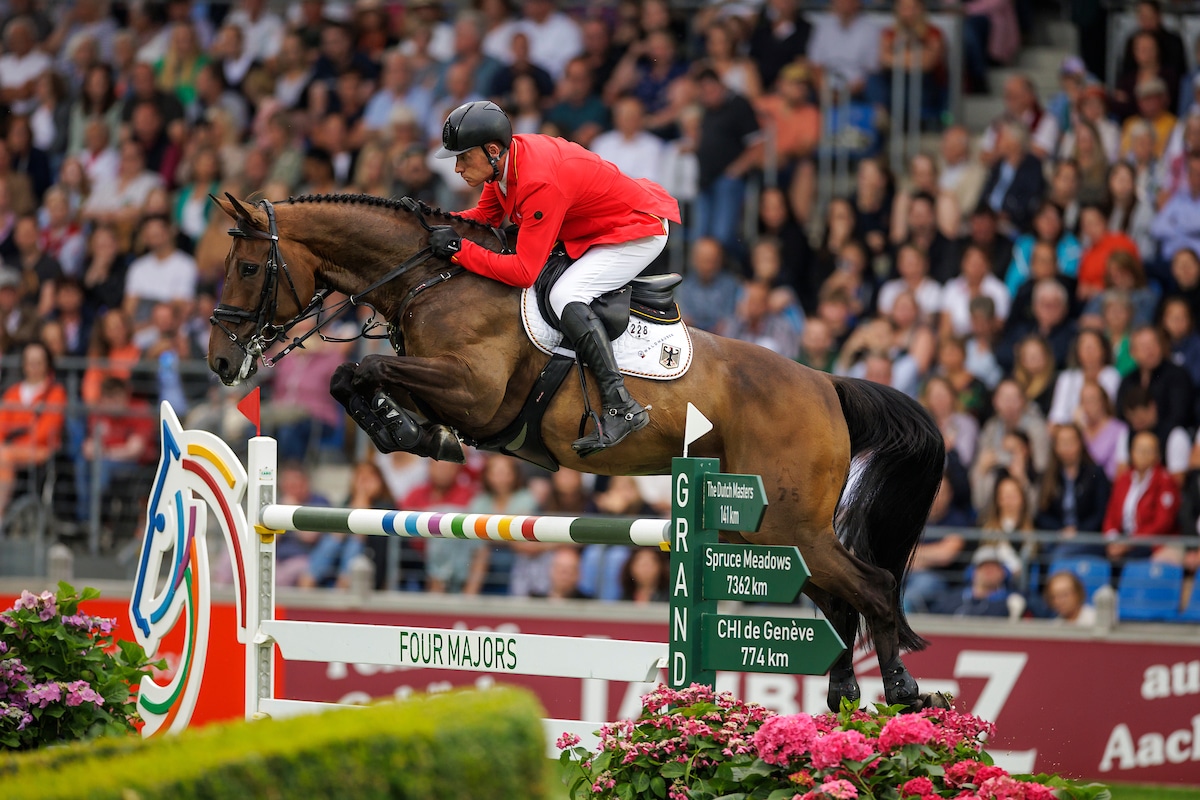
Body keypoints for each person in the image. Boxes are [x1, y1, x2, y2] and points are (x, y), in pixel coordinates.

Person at [429, 100, 680, 455]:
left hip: (637, 230)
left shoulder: (537, 180)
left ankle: (620, 404)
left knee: (565, 294)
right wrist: (431, 223)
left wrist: (458, 250)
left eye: (463, 158)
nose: (456, 168)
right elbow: (484, 217)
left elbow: (522, 271)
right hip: (599, 226)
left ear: (491, 150)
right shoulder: (504, 165)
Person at [0, 340, 66, 525]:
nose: (34, 367)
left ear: (47, 364)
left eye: (39, 362)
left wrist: (16, 438)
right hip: (12, 450)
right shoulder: (13, 392)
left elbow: (46, 431)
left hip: (41, 450)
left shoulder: (55, 392)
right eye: (30, 362)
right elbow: (2, 426)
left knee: (3, 454)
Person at [1103, 429, 1181, 563]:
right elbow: (1111, 515)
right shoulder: (1123, 479)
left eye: (1148, 450)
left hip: (1151, 543)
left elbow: (1162, 524)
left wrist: (1130, 542)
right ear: (1131, 452)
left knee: (1130, 561)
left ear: (1157, 455)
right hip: (1122, 541)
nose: (1142, 455)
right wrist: (1113, 540)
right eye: (1139, 450)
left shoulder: (1165, 481)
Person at [1036, 423, 1111, 560]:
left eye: (1071, 442)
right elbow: (1041, 514)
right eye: (1062, 443)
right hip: (1057, 537)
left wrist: (1078, 531)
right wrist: (1060, 531)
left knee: (1059, 555)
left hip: (1089, 538)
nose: (1067, 447)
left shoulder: (1095, 474)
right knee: (1037, 553)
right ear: (1055, 447)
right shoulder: (1048, 476)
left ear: (1080, 443)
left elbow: (1101, 513)